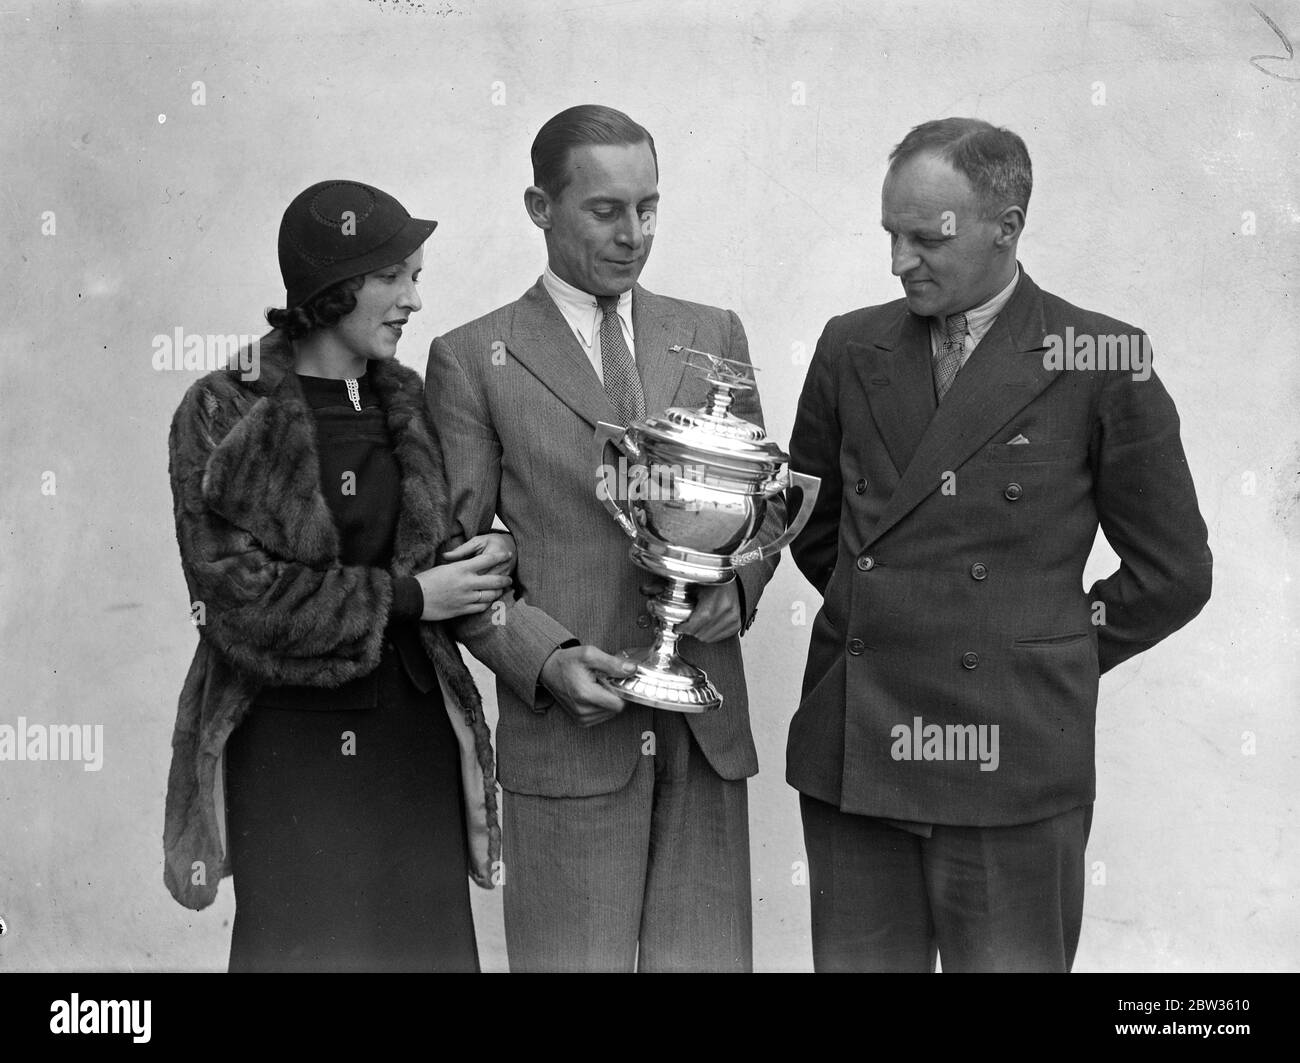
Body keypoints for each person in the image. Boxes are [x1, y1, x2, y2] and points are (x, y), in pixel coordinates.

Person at [786, 118, 1213, 973]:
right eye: (891, 236)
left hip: (1013, 753)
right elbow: (813, 524)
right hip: (859, 746)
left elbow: (1175, 571)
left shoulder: (1100, 357)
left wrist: (1045, 647)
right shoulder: (849, 345)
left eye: (925, 238)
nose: (900, 261)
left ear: (1006, 226)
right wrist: (893, 609)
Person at [426, 104, 784, 972]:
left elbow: (763, 511)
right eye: (605, 210)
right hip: (570, 745)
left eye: (649, 207)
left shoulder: (713, 333)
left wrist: (730, 592)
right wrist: (546, 661)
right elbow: (456, 562)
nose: (634, 234)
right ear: (538, 207)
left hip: (704, 739)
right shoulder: (473, 357)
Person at [163, 179, 515, 972]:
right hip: (290, 746)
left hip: (413, 738)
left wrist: (494, 555)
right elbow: (237, 598)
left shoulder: (408, 401)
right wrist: (411, 598)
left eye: (415, 278)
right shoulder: (222, 409)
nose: (414, 301)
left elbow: (449, 544)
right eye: (395, 277)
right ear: (333, 285)